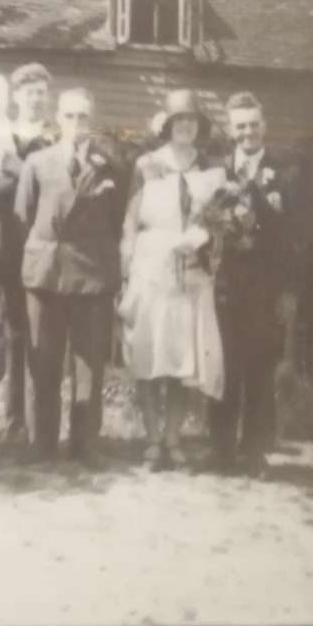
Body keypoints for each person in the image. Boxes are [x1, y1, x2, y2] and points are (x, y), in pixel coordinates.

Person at [14, 88, 123, 466]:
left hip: (91, 273)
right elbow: (24, 216)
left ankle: (84, 443)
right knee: (43, 359)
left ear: (93, 120)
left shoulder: (109, 168)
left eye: (84, 116)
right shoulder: (37, 162)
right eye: (70, 116)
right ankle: (42, 443)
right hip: (46, 271)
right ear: (58, 119)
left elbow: (116, 221)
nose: (77, 123)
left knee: (88, 362)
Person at [119, 90, 225, 470]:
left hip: (191, 268)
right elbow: (131, 220)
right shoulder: (147, 163)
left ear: (199, 126)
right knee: (149, 352)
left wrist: (200, 239)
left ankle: (173, 437)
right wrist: (126, 268)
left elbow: (217, 220)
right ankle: (151, 438)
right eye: (179, 119)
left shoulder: (209, 167)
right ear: (167, 125)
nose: (185, 126)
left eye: (192, 120)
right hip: (151, 265)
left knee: (182, 356)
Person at [208, 91, 297, 477]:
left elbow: (298, 237)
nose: (248, 132)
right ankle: (221, 449)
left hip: (267, 287)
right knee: (224, 366)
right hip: (224, 284)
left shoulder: (288, 172)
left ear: (265, 125)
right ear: (231, 130)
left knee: (261, 367)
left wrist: (290, 290)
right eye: (240, 126)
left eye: (254, 125)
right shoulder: (217, 171)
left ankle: (256, 450)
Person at [0, 62, 55, 443]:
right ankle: (9, 420)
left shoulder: (55, 138)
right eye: (29, 93)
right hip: (7, 250)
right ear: (16, 97)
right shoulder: (1, 135)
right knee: (9, 333)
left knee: (41, 336)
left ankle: (39, 423)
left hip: (43, 249)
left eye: (41, 92)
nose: (35, 99)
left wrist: (21, 168)